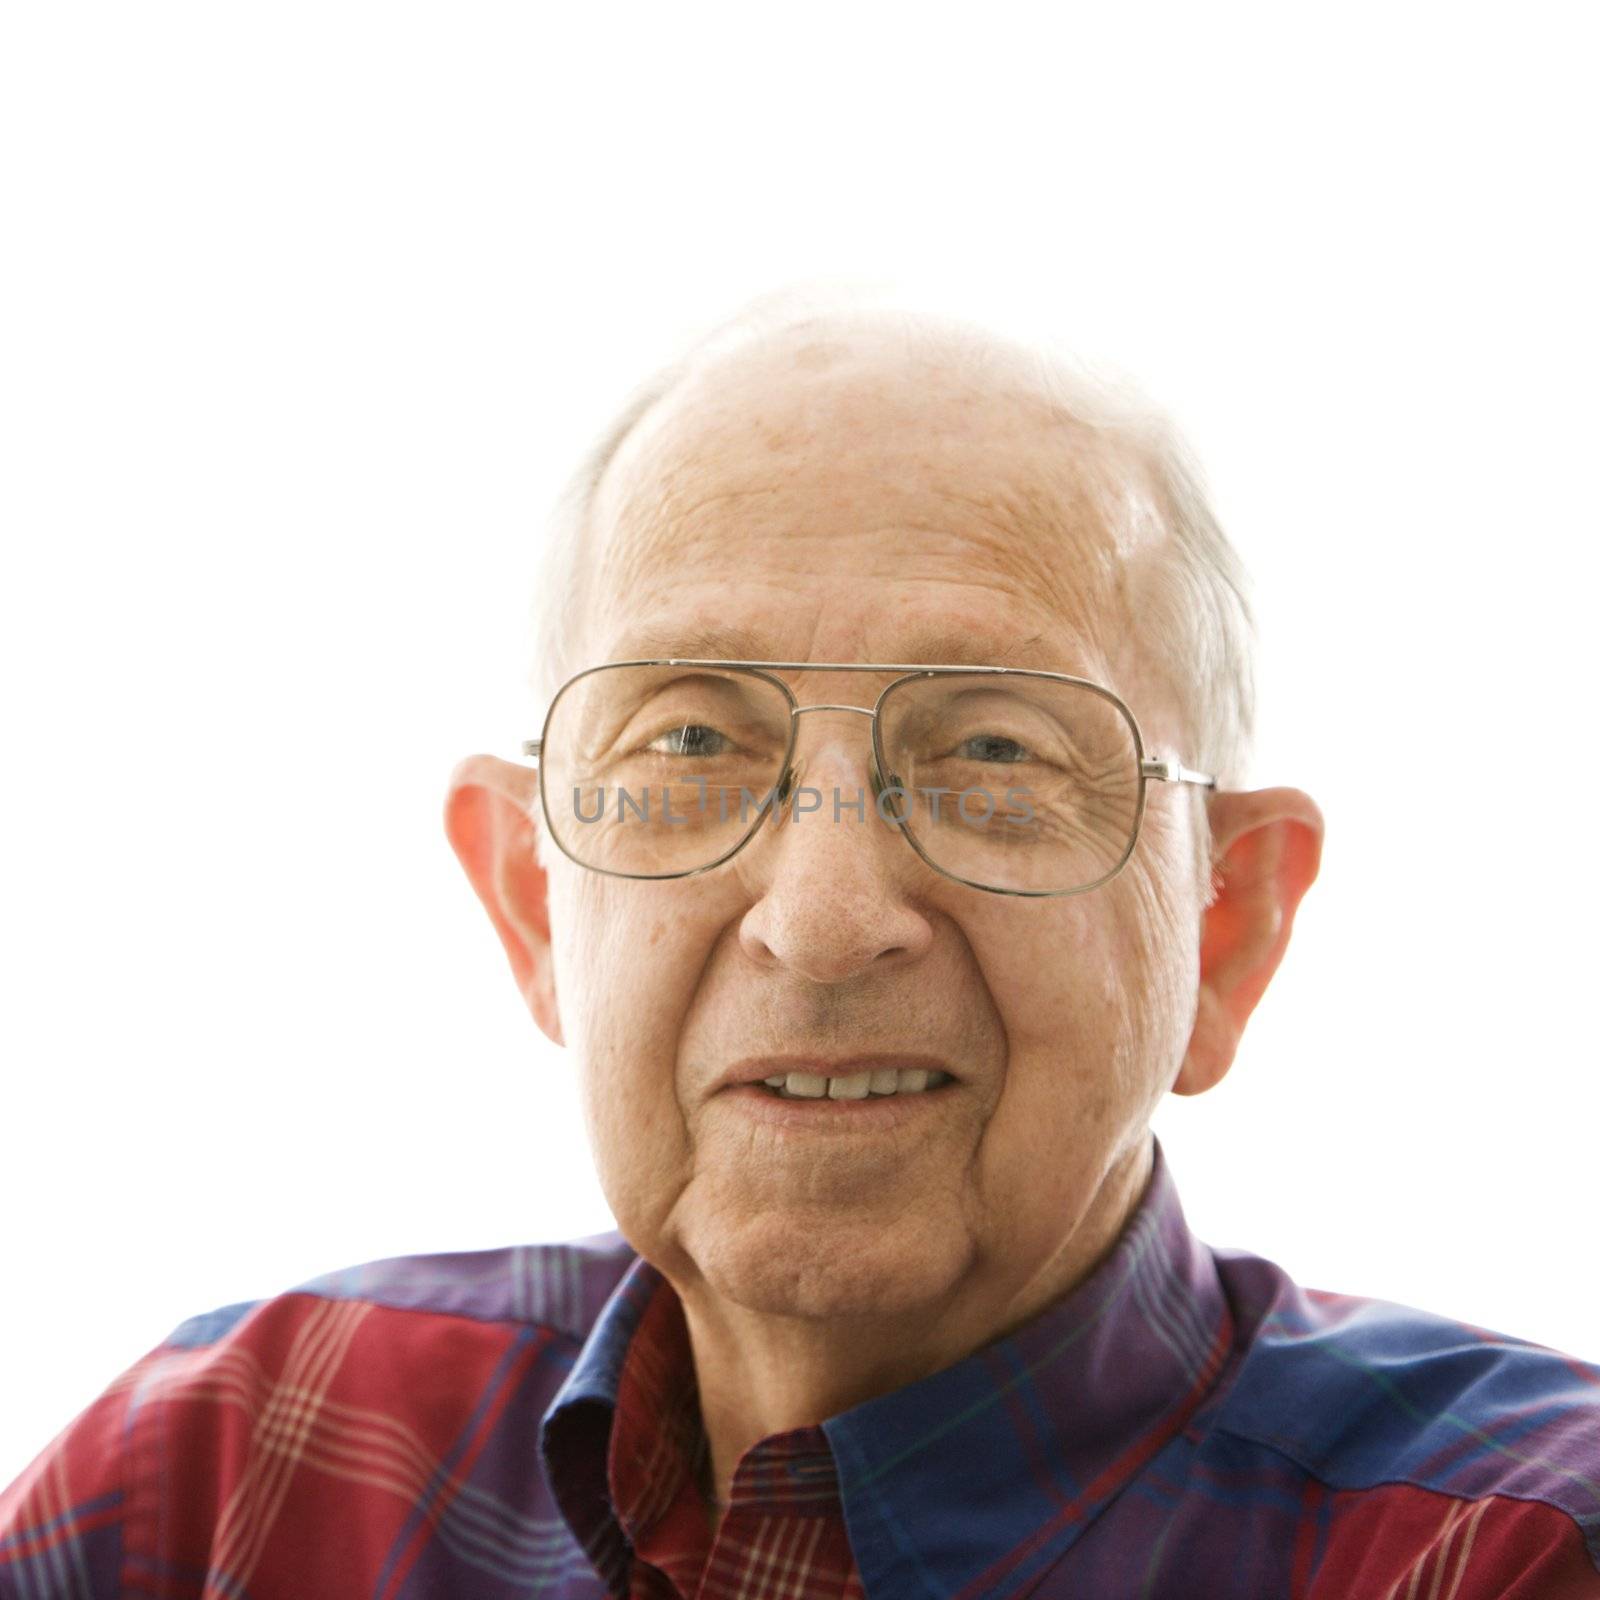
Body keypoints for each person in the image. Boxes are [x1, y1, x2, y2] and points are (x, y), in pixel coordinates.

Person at [4, 296, 1597, 1600]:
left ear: (1226, 923)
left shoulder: (1510, 1556)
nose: (825, 924)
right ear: (530, 905)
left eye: (995, 757)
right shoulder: (220, 1491)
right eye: (691, 742)